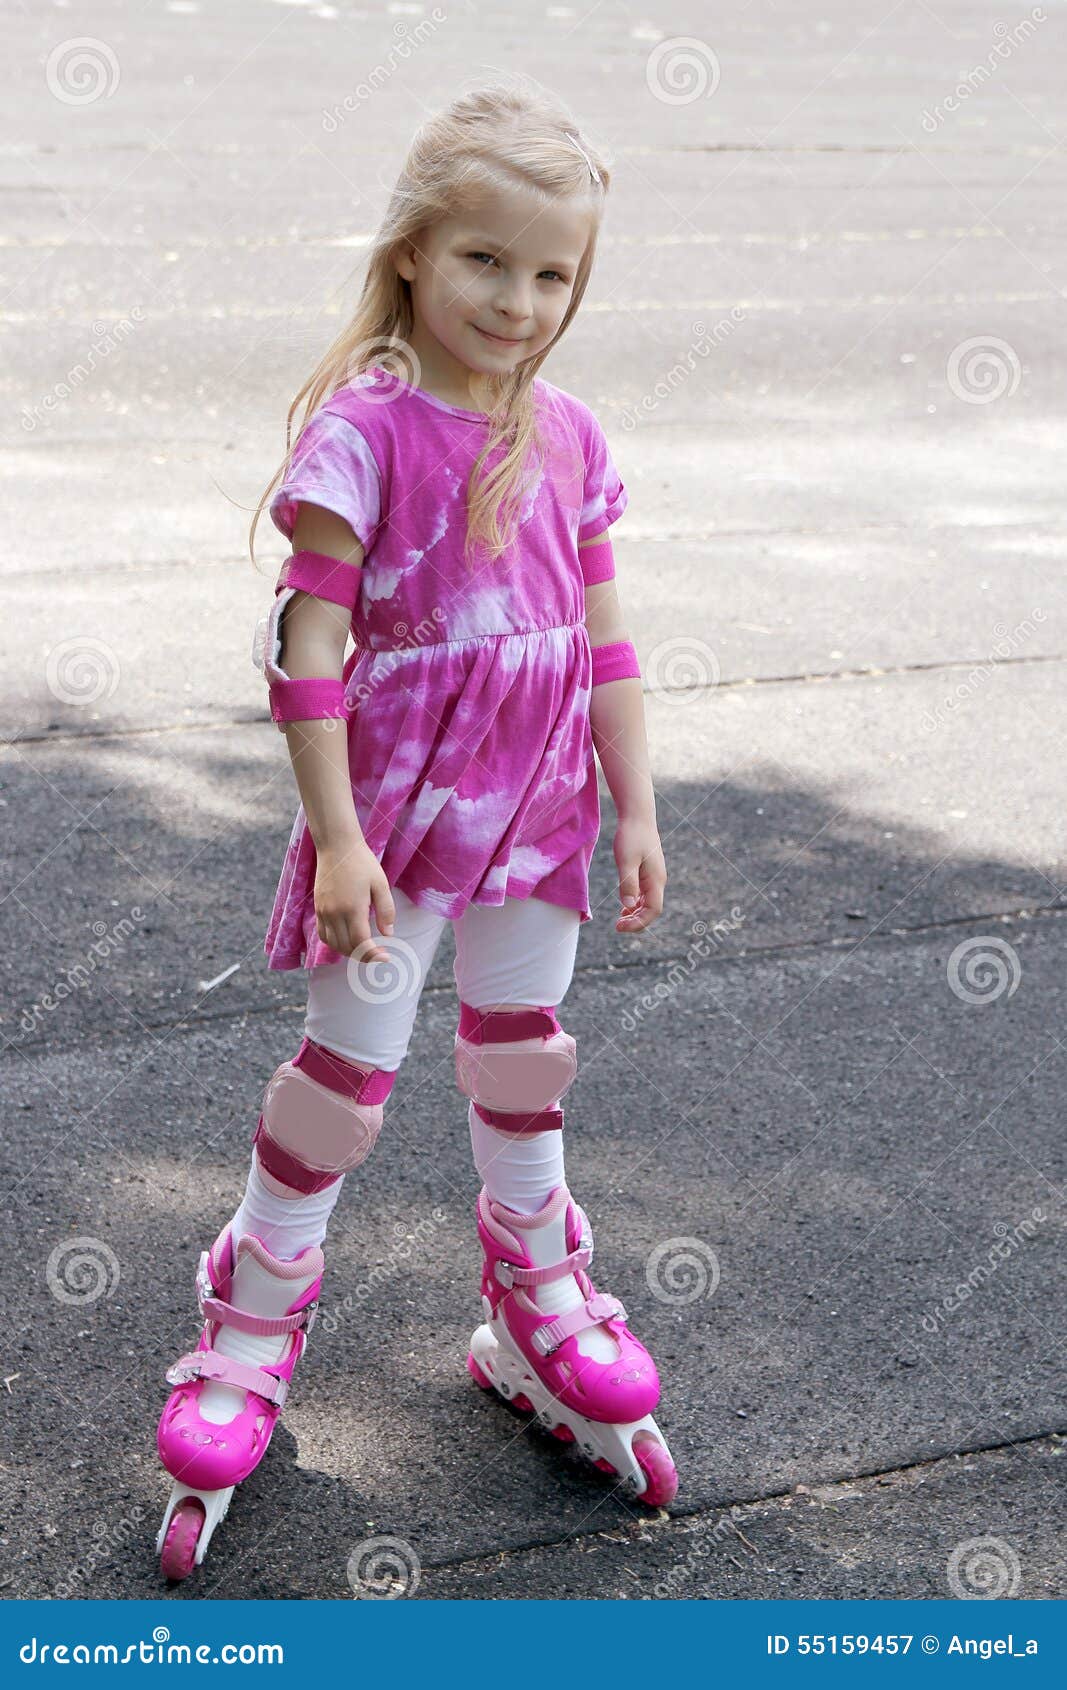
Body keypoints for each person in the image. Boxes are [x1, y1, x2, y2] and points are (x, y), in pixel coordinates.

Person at [155, 80, 676, 1581]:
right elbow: (303, 655)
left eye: (551, 273)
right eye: (484, 262)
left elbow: (608, 636)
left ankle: (534, 1292)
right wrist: (335, 842)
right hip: (397, 812)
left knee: (525, 1051)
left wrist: (633, 800)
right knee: (344, 1078)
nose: (517, 302)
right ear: (411, 257)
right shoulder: (366, 433)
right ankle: (251, 1316)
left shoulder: (569, 435)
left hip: (542, 800)